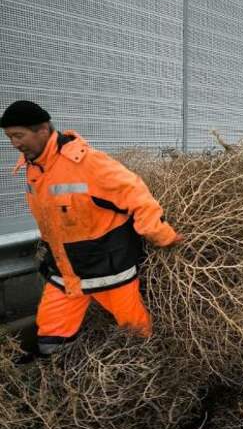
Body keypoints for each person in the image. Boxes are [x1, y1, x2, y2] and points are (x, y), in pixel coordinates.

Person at [1, 101, 182, 356]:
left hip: (110, 272)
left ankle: (151, 379)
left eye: (19, 135)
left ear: (42, 129)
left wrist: (163, 236)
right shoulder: (33, 168)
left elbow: (137, 196)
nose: (14, 144)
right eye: (10, 137)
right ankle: (67, 387)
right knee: (51, 341)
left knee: (138, 337)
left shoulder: (88, 164)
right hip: (66, 275)